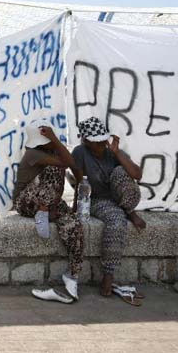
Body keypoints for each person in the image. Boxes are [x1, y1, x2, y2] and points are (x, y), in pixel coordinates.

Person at [71, 117, 146, 298]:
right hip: (96, 199)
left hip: (118, 196)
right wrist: (76, 208)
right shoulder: (80, 152)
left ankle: (129, 210)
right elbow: (80, 184)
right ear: (87, 142)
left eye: (104, 140)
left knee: (121, 172)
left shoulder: (111, 152)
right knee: (116, 221)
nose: (103, 144)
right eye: (98, 142)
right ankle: (108, 274)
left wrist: (118, 153)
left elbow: (137, 174)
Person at [13, 119, 83, 300]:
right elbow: (65, 164)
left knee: (73, 225)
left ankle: (72, 275)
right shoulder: (33, 154)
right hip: (26, 202)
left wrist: (55, 141)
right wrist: (54, 140)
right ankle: (43, 212)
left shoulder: (52, 150)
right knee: (55, 166)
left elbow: (72, 164)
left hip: (51, 202)